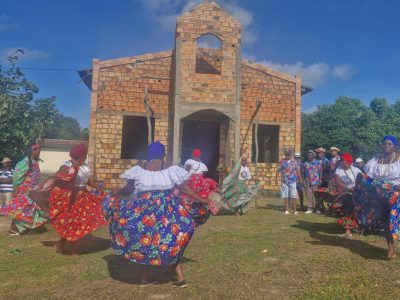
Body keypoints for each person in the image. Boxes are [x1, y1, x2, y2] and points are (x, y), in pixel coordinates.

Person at [102, 141, 212, 288]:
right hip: (167, 211)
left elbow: (127, 190)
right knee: (173, 240)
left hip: (144, 213)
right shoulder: (169, 168)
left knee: (145, 242)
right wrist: (201, 199)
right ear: (163, 154)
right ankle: (178, 277)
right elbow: (184, 188)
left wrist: (115, 193)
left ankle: (144, 278)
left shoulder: (139, 169)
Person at [48, 144, 106, 253]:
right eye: (85, 155)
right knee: (72, 222)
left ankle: (66, 243)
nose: (86, 157)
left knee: (80, 220)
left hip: (83, 196)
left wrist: (97, 186)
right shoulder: (67, 165)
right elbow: (59, 177)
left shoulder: (85, 167)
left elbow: (88, 182)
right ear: (80, 156)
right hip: (70, 198)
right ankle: (70, 245)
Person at [353, 135, 400, 259]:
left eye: (390, 144)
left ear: (395, 145)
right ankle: (391, 249)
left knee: (396, 221)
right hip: (382, 196)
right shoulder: (376, 160)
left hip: (398, 193)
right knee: (387, 221)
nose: (387, 146)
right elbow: (368, 176)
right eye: (385, 144)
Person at [0, 144, 47, 235]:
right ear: (33, 150)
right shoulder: (25, 162)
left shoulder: (35, 162)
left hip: (34, 190)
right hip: (25, 190)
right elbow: (17, 177)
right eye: (38, 151)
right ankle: (14, 228)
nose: (39, 153)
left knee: (32, 209)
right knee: (23, 208)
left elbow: (36, 176)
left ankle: (27, 228)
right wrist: (15, 190)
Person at [325, 153, 362, 238]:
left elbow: (362, 182)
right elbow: (337, 181)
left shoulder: (357, 170)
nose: (342, 163)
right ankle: (349, 230)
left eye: (344, 161)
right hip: (344, 193)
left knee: (352, 211)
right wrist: (347, 188)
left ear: (349, 162)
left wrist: (355, 188)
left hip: (356, 194)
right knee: (337, 208)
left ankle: (351, 230)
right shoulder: (339, 169)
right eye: (342, 161)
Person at [182, 149, 219, 226]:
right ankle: (209, 209)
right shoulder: (203, 165)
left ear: (192, 154)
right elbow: (204, 175)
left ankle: (188, 213)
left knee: (186, 195)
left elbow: (186, 171)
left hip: (191, 181)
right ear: (200, 155)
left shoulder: (189, 161)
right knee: (201, 197)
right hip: (200, 182)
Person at [277, 149, 303, 215]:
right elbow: (278, 170)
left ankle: (295, 210)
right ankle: (286, 210)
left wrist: (300, 178)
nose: (287, 156)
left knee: (293, 195)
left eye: (288, 155)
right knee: (285, 195)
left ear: (291, 155)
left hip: (293, 181)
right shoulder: (282, 162)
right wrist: (277, 179)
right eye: (286, 154)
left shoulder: (294, 162)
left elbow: (297, 171)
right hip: (284, 181)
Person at [316, 147, 330, 213]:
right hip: (316, 179)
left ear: (323, 154)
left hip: (325, 180)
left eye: (321, 153)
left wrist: (322, 168)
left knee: (324, 194)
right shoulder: (315, 161)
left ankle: (325, 207)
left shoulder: (326, 161)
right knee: (318, 194)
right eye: (318, 153)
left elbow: (329, 170)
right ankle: (320, 207)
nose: (319, 154)